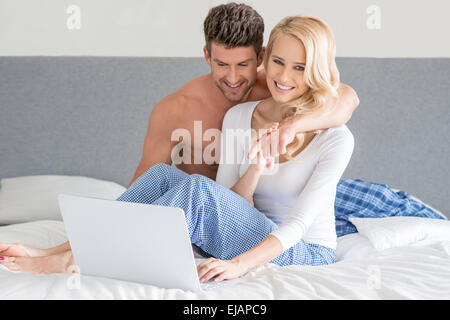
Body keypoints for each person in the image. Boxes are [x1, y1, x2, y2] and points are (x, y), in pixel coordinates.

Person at [0, 4, 359, 275]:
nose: (283, 76)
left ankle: (82, 257)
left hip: (305, 249)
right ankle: (67, 248)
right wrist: (255, 169)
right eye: (280, 63)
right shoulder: (238, 117)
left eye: (299, 67)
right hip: (250, 227)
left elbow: (296, 227)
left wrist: (238, 267)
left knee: (197, 190)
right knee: (162, 176)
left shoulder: (335, 137)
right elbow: (229, 200)